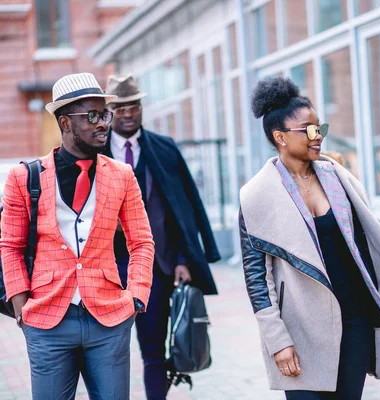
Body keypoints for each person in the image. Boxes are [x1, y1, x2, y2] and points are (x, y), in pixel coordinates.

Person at [239, 77, 380, 399]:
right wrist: (278, 341)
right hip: (300, 330)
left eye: (320, 127)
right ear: (281, 137)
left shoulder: (339, 177)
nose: (319, 137)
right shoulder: (257, 195)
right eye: (309, 130)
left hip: (354, 321)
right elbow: (257, 280)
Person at [0, 72, 154, 399]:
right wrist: (21, 306)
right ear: (66, 123)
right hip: (46, 321)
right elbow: (10, 247)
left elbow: (141, 240)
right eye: (93, 116)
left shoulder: (122, 176)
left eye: (105, 115)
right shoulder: (23, 177)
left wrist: (136, 295)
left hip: (109, 318)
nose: (103, 124)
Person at [103, 74, 221, 400]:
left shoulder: (163, 148)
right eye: (120, 107)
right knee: (107, 350)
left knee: (154, 350)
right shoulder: (93, 151)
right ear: (109, 109)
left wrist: (184, 259)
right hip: (106, 269)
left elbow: (184, 208)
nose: (128, 114)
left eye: (134, 106)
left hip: (158, 267)